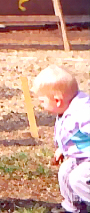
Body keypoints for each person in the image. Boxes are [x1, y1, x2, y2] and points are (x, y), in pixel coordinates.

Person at [32, 65, 90, 213]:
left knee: (78, 178)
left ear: (57, 100)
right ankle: (73, 207)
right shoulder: (65, 109)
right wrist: (62, 149)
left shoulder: (82, 112)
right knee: (65, 172)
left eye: (42, 101)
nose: (40, 105)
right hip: (81, 156)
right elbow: (71, 134)